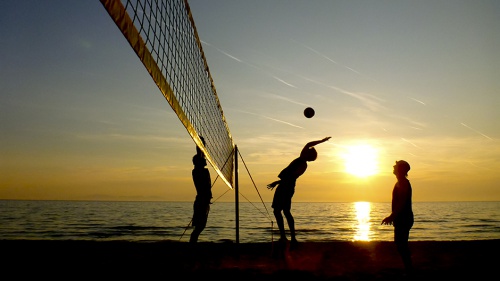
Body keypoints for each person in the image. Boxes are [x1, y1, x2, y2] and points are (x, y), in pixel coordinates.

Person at [267, 137, 331, 248]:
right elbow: (308, 144)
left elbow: (291, 177)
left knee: (280, 211)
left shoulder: (302, 164)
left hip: (286, 187)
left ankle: (288, 238)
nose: (304, 150)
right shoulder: (301, 160)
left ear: (308, 155)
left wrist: (277, 182)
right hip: (286, 186)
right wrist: (321, 141)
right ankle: (288, 238)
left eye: (307, 151)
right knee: (283, 211)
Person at [381, 160, 414, 273]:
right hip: (401, 218)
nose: (393, 167)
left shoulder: (403, 183)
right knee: (400, 244)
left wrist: (391, 216)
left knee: (401, 245)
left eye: (396, 166)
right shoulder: (399, 183)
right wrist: (394, 217)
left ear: (400, 169)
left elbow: (402, 202)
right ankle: (408, 268)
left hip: (404, 218)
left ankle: (409, 269)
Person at [189, 137, 212, 243]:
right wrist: (199, 143)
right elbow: (200, 153)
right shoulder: (197, 171)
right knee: (200, 225)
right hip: (201, 201)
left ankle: (193, 242)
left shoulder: (199, 170)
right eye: (203, 160)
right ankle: (192, 243)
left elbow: (201, 154)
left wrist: (202, 145)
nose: (205, 160)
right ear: (198, 162)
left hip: (203, 200)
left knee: (201, 225)